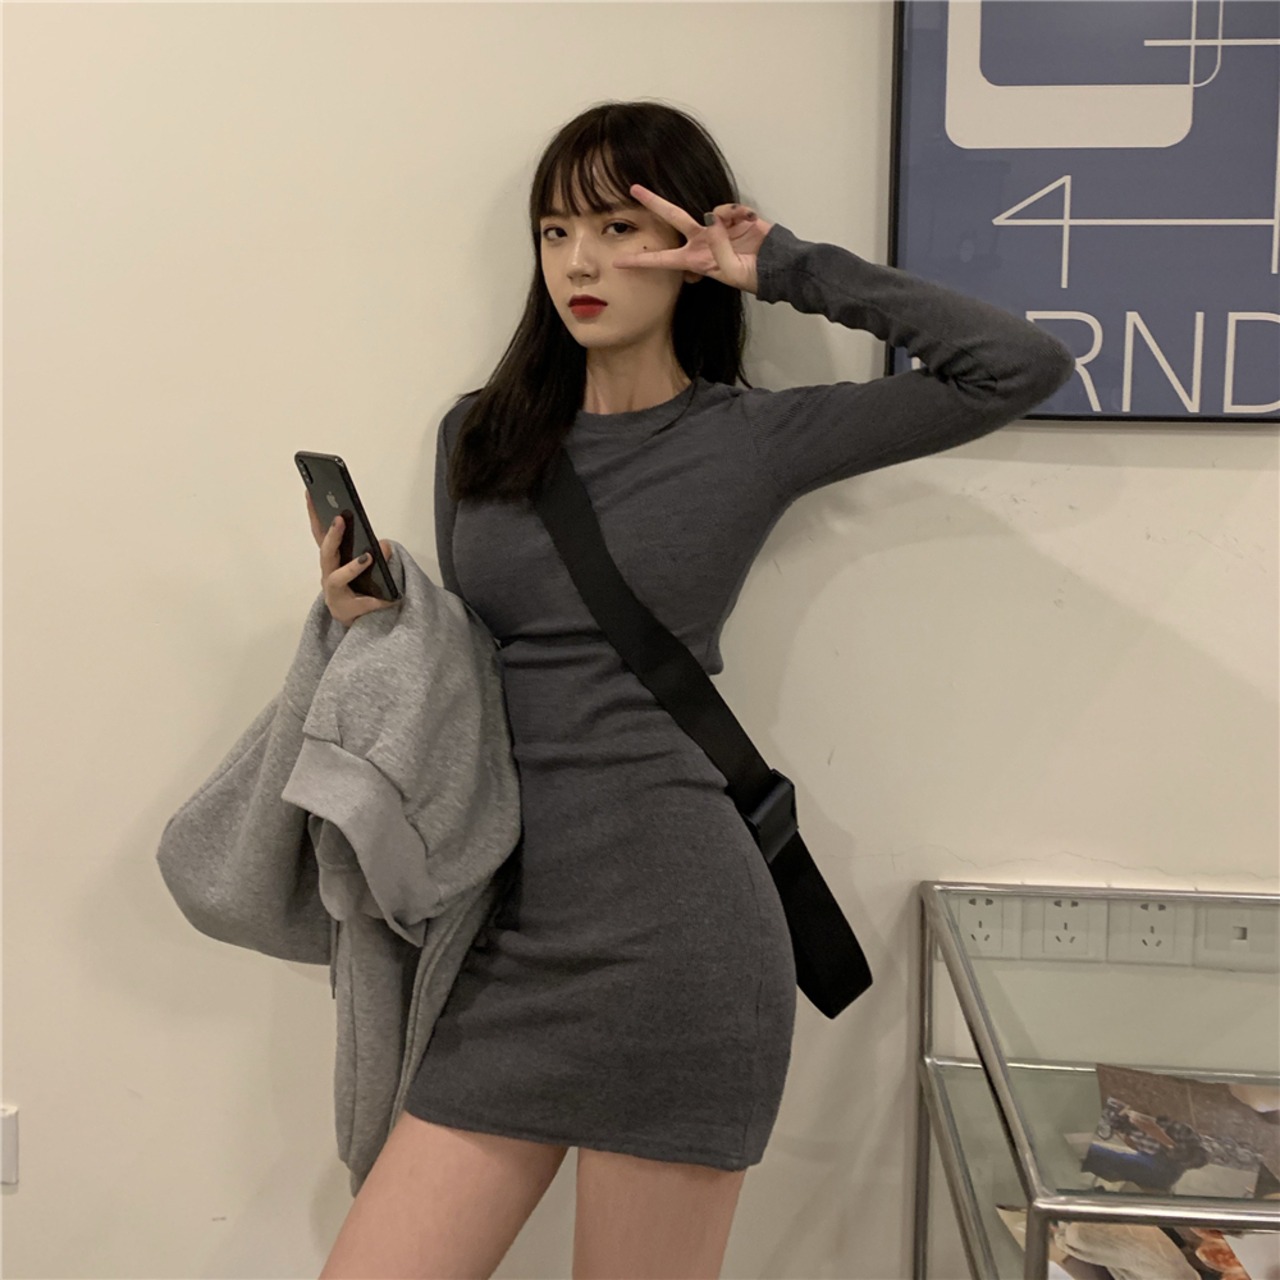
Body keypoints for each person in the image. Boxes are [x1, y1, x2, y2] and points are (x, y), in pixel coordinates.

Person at [312, 99, 1075, 1279]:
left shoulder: (747, 438)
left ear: (683, 242)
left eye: (617, 227)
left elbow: (1013, 366)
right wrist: (372, 627)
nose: (579, 262)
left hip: (680, 937)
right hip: (511, 937)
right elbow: (478, 665)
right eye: (556, 231)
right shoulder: (481, 437)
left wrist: (781, 266)